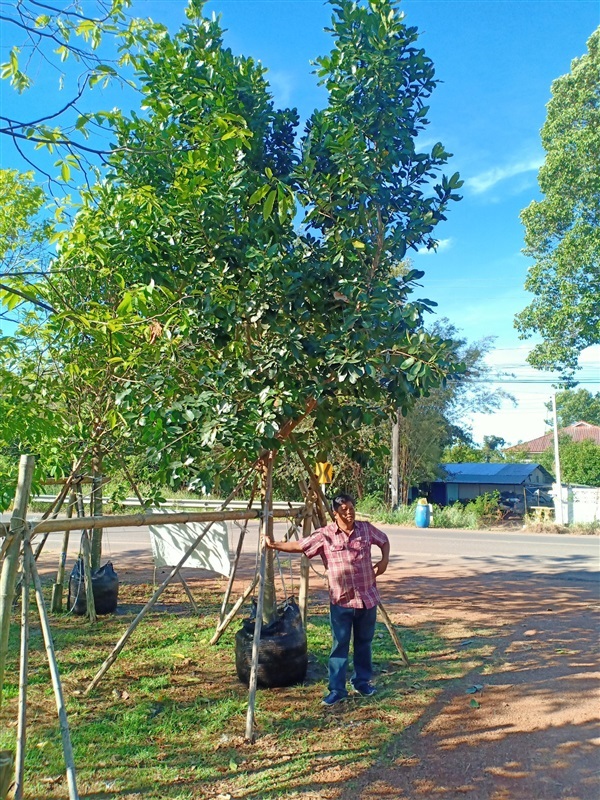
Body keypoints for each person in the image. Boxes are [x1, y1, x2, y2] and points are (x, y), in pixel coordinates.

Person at [266, 492, 390, 707]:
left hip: (367, 598)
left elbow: (384, 540)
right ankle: (337, 689)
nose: (349, 512)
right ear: (335, 514)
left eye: (351, 508)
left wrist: (384, 561)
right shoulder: (325, 535)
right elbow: (300, 545)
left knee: (364, 643)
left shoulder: (366, 529)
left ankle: (362, 682)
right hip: (342, 601)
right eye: (344, 510)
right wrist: (274, 545)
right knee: (339, 645)